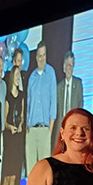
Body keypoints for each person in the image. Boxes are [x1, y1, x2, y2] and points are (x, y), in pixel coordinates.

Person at [26, 41, 57, 174]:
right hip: (31, 130)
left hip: (45, 129)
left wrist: (50, 127)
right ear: (36, 57)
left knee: (44, 170)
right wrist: (27, 127)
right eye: (40, 55)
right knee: (31, 171)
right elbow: (28, 103)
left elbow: (53, 100)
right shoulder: (32, 77)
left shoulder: (51, 73)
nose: (42, 58)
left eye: (44, 55)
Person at [2, 66, 25, 185]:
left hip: (17, 140)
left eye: (19, 76)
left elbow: (22, 115)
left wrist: (21, 125)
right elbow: (4, 121)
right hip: (10, 139)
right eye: (16, 76)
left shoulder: (21, 95)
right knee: (7, 177)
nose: (17, 78)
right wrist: (10, 127)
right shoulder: (8, 97)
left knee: (15, 177)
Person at [53, 51, 83, 151]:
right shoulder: (59, 86)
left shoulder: (78, 83)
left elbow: (80, 105)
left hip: (74, 124)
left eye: (71, 65)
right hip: (61, 125)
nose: (69, 67)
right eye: (67, 65)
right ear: (63, 67)